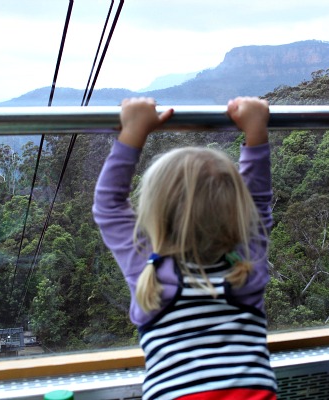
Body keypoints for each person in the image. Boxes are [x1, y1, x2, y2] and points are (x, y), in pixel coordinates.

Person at [93, 97, 278, 400]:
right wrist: (256, 131)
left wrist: (133, 131)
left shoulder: (148, 267)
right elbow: (257, 200)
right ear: (237, 210)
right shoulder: (245, 264)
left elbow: (108, 206)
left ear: (153, 210)